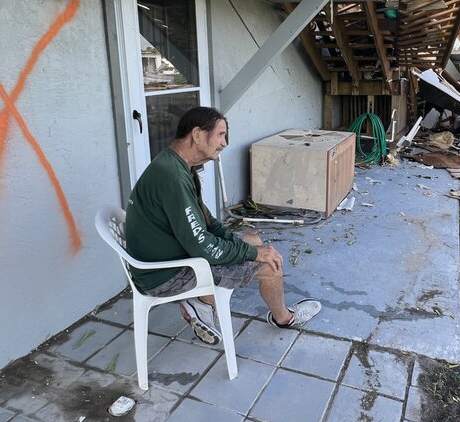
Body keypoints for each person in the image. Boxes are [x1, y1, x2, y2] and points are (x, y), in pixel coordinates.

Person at [125, 106, 321, 345]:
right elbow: (202, 246)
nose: (225, 143)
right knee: (269, 264)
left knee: (253, 239)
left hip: (167, 258)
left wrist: (242, 244)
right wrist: (254, 254)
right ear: (197, 135)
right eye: (220, 134)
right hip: (166, 275)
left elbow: (206, 221)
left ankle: (202, 303)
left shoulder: (176, 165)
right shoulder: (172, 177)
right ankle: (284, 319)